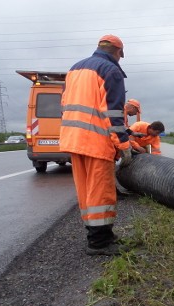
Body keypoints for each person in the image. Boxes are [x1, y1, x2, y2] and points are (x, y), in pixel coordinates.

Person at [59, 34, 133, 256]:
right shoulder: (110, 70)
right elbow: (113, 114)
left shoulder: (75, 69)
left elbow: (64, 104)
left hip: (74, 139)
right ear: (119, 52)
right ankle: (99, 243)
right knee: (100, 192)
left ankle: (100, 236)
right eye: (121, 55)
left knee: (86, 193)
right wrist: (123, 145)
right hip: (95, 142)